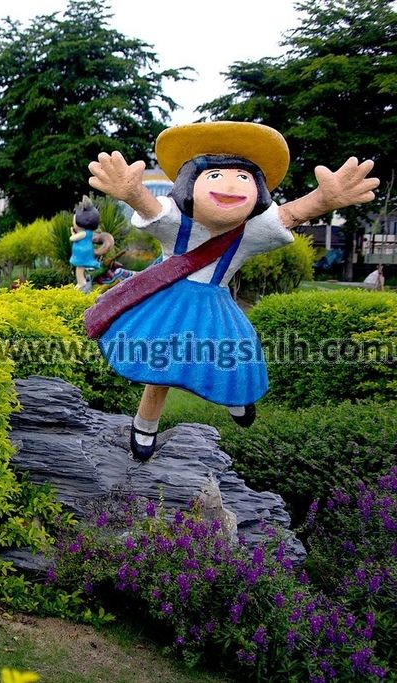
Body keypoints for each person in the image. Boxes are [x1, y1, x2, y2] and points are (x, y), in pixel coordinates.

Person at [86, 121, 378, 462]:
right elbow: (151, 208)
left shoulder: (250, 233)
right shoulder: (177, 224)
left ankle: (238, 398)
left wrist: (324, 199)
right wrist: (131, 191)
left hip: (214, 302)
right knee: (160, 364)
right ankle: (145, 425)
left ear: (258, 190)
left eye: (243, 178)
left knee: (234, 352)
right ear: (190, 184)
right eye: (215, 176)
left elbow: (291, 214)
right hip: (168, 301)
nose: (230, 185)